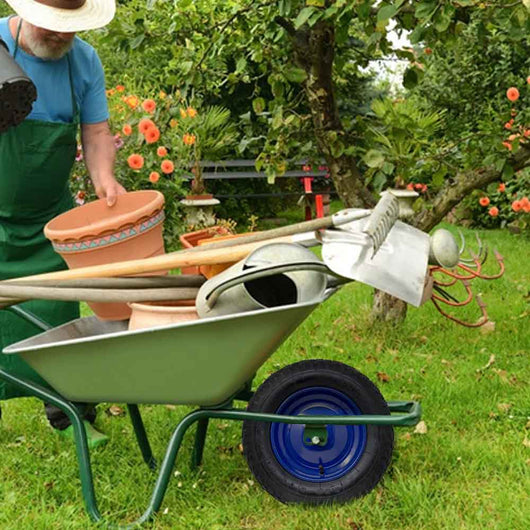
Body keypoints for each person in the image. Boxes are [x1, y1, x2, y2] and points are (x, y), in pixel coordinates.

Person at [0, 0, 125, 448]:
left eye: (68, 28)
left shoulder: (83, 61)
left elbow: (95, 134)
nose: (58, 35)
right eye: (52, 25)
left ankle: (71, 413)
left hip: (47, 224)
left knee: (56, 318)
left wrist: (105, 181)